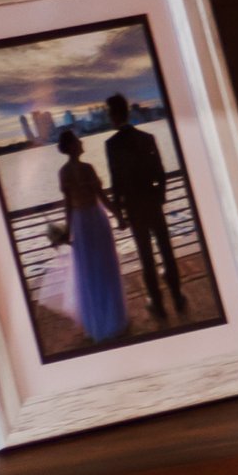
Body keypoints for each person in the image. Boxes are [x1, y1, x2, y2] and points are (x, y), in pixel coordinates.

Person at [102, 90, 183, 324]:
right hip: (152, 202)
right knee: (166, 251)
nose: (109, 117)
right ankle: (177, 297)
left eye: (109, 113)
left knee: (146, 257)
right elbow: (160, 172)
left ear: (115, 114)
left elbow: (116, 181)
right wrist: (160, 196)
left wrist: (119, 212)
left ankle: (158, 304)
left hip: (134, 207)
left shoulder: (112, 145)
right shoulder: (147, 138)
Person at [56, 128, 131, 345]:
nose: (81, 142)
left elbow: (68, 206)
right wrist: (118, 216)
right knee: (104, 268)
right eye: (77, 140)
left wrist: (68, 231)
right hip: (95, 220)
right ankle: (112, 320)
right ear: (71, 147)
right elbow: (102, 197)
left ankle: (99, 322)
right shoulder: (87, 169)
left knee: (90, 271)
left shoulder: (64, 173)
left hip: (82, 222)